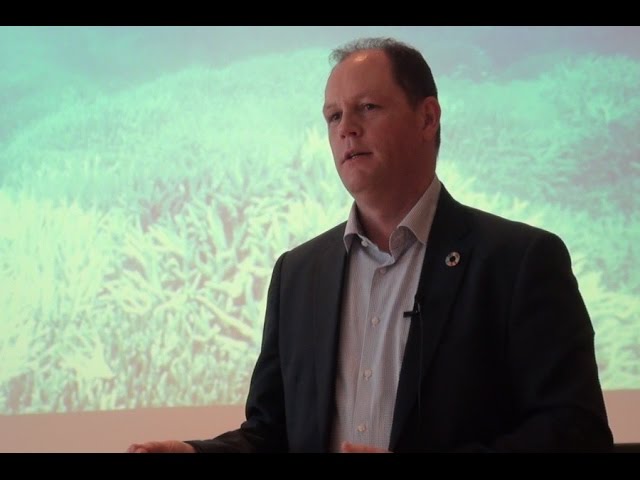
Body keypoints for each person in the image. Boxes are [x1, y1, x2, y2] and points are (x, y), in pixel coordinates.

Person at [127, 37, 613, 453]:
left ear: (427, 118)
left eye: (367, 108)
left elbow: (576, 433)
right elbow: (271, 434)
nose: (346, 129)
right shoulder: (298, 274)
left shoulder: (519, 261)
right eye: (333, 115)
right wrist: (197, 452)